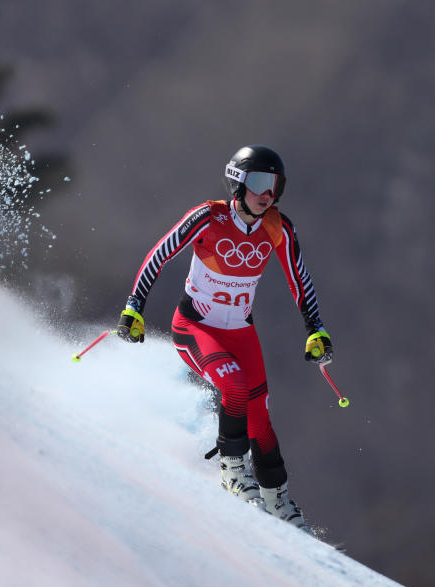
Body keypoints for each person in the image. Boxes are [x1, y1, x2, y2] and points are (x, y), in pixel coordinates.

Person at [116, 145, 332, 531]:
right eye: (260, 183)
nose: (268, 194)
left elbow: (299, 278)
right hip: (195, 326)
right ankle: (233, 472)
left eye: (276, 185)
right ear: (238, 181)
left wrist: (315, 328)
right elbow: (159, 255)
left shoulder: (277, 228)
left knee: (260, 416)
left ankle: (277, 498)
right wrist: (135, 307)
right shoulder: (208, 217)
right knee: (235, 387)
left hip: (241, 333)